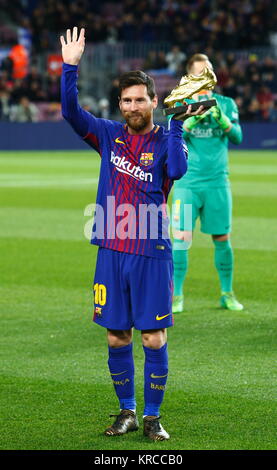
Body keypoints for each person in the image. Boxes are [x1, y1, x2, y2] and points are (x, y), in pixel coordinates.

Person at [60, 27, 205, 441]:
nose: (133, 106)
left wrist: (177, 125)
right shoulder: (108, 135)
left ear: (153, 101)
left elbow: (176, 170)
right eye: (126, 100)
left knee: (154, 337)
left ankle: (153, 416)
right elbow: (71, 114)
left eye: (140, 99)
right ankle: (126, 411)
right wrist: (70, 67)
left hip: (152, 249)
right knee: (115, 334)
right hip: (111, 248)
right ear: (120, 104)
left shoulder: (165, 139)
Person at [171, 53, 244, 314]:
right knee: (180, 239)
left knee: (222, 237)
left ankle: (227, 293)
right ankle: (176, 296)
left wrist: (222, 120)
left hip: (217, 183)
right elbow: (172, 141)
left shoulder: (225, 103)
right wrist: (191, 121)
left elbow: (237, 137)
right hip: (188, 183)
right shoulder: (181, 104)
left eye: (209, 72)